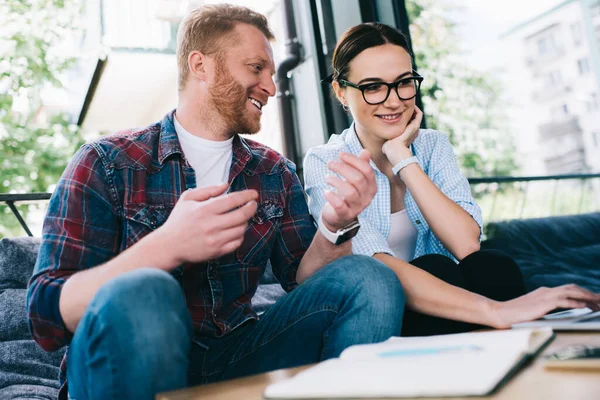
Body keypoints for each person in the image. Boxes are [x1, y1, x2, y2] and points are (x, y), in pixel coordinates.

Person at [27, 7, 406, 400]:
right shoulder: (106, 163)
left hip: (234, 357)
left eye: (271, 73)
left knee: (369, 277)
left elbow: (303, 283)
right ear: (200, 66)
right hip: (127, 363)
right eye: (256, 67)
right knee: (146, 290)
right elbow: (45, 318)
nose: (270, 87)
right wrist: (166, 246)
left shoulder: (273, 171)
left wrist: (336, 223)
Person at [304, 22, 600, 337]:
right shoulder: (326, 161)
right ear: (341, 92)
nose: (394, 101)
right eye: (373, 87)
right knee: (435, 267)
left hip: (451, 302)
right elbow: (378, 268)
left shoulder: (433, 145)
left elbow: (466, 244)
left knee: (492, 264)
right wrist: (495, 310)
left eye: (404, 82)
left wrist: (402, 157)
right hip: (380, 310)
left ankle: (510, 363)